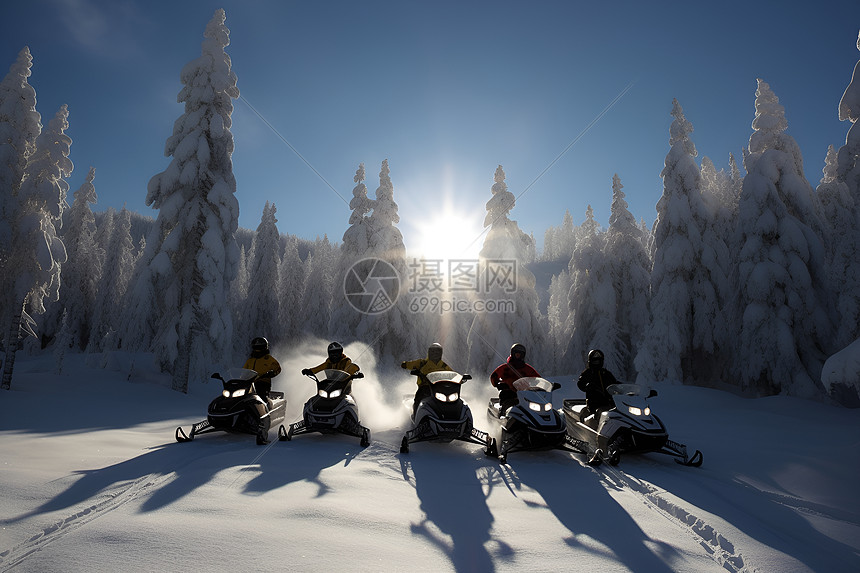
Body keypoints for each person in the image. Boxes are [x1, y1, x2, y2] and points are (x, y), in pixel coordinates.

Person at [401, 342, 453, 416]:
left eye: (437, 352)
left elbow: (452, 374)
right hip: (425, 387)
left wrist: (460, 378)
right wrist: (405, 364)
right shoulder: (423, 363)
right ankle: (416, 417)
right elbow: (412, 364)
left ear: (441, 353)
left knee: (451, 400)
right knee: (419, 399)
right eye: (433, 352)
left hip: (440, 388)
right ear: (429, 352)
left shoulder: (443, 366)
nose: (435, 354)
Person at [489, 343, 541, 413]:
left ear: (523, 355)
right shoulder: (505, 368)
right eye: (516, 354)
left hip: (524, 394)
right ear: (512, 354)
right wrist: (498, 384)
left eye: (520, 354)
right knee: (507, 404)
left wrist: (540, 386)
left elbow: (538, 379)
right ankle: (503, 417)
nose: (518, 356)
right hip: (508, 392)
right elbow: (494, 376)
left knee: (535, 408)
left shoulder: (527, 369)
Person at [576, 349, 618, 425]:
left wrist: (624, 388)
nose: (597, 363)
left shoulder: (606, 373)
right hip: (594, 403)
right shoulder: (587, 373)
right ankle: (597, 429)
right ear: (590, 361)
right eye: (595, 361)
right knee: (600, 412)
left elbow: (615, 383)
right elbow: (580, 383)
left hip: (609, 402)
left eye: (598, 361)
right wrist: (587, 386)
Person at [242, 337, 281, 401]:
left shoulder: (268, 359)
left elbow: (277, 368)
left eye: (259, 347)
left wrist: (272, 373)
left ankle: (265, 406)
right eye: (256, 347)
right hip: (250, 383)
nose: (257, 349)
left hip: (263, 382)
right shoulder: (250, 360)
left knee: (261, 393)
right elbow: (244, 371)